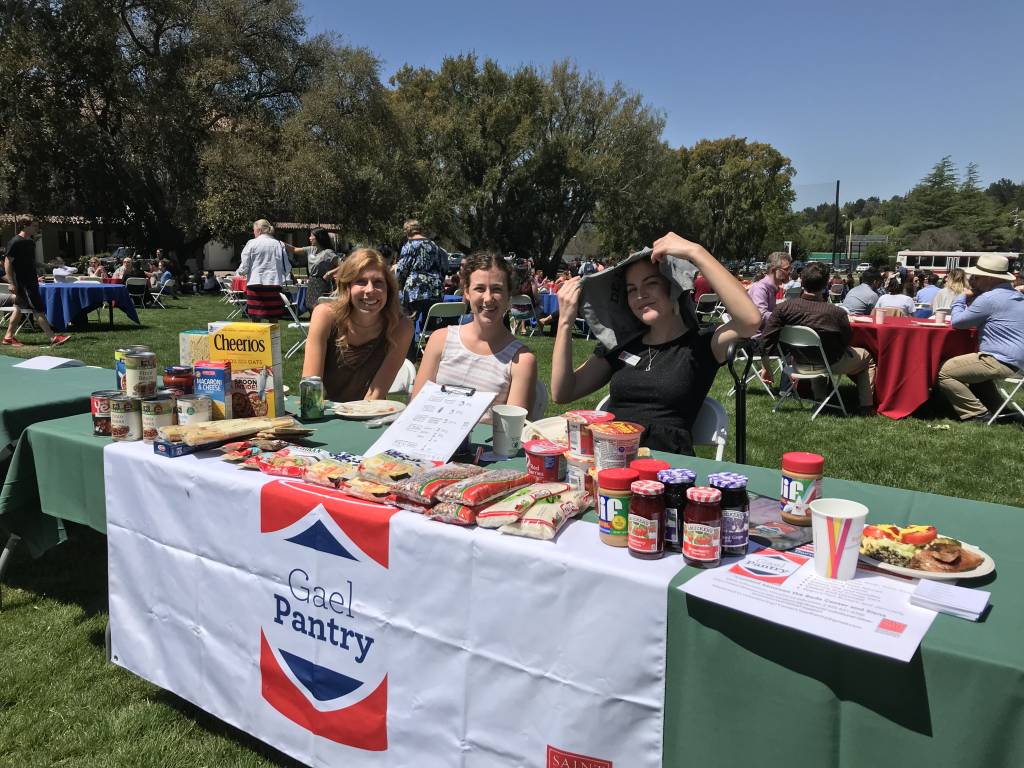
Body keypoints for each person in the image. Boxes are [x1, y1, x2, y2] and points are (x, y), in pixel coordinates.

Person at [551, 232, 760, 455]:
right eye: (631, 289)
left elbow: (750, 320)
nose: (640, 295)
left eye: (651, 283)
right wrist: (565, 322)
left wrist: (696, 252)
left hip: (667, 468)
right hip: (613, 461)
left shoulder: (701, 345)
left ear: (673, 286)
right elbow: (563, 393)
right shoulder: (622, 344)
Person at [413, 251, 538, 422]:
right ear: (466, 292)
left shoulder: (521, 360)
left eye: (497, 289)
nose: (488, 298)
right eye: (479, 288)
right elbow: (416, 406)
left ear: (509, 295)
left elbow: (512, 430)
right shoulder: (440, 340)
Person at [763, 263, 876, 415]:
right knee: (867, 358)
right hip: (828, 362)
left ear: (802, 282)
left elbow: (766, 340)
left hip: (798, 363)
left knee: (820, 351)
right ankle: (866, 407)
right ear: (825, 284)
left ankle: (820, 401)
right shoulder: (836, 312)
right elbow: (847, 339)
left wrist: (766, 368)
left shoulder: (783, 308)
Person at [302, 248, 413, 402]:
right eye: (361, 281)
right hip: (324, 411)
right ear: (347, 287)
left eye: (378, 282)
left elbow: (374, 396)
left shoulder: (400, 327)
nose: (370, 290)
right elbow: (311, 390)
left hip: (370, 412)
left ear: (388, 289)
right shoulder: (325, 316)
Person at [937, 254, 1024, 422]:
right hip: (1018, 361)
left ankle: (977, 413)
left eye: (977, 277)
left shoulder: (989, 299)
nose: (973, 281)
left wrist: (961, 297)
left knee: (944, 371)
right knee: (975, 375)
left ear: (990, 278)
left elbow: (958, 322)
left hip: (999, 360)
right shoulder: (1018, 296)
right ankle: (999, 409)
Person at [2, 218, 70, 347]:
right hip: (24, 283)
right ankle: (53, 337)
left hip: (31, 280)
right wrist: (11, 282)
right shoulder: (15, 241)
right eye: (34, 226)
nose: (36, 228)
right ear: (24, 226)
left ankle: (8, 337)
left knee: (18, 309)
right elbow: (7, 262)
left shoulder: (30, 242)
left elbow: (31, 262)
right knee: (37, 309)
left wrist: (46, 265)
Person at [747, 251, 792, 386]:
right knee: (796, 347)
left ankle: (788, 387)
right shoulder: (760, 288)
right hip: (756, 343)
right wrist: (784, 317)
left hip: (764, 340)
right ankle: (787, 389)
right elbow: (761, 316)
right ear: (774, 270)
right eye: (786, 269)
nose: (789, 272)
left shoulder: (770, 288)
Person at [396, 219, 448, 334]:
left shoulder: (409, 246)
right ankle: (429, 344)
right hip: (435, 289)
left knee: (409, 324)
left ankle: (410, 345)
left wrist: (398, 285)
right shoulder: (434, 246)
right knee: (430, 326)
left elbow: (402, 270)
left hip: (415, 290)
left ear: (407, 231)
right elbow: (442, 267)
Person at [237, 218, 291, 321]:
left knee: (255, 319)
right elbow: (287, 267)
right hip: (274, 284)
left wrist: (241, 273)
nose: (253, 233)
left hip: (255, 284)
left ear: (259, 230)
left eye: (254, 230)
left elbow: (244, 266)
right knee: (274, 318)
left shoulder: (251, 243)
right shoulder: (280, 244)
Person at [304, 228, 341, 312]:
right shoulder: (312, 250)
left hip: (321, 283)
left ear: (319, 237)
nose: (309, 238)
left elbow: (343, 265)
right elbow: (294, 249)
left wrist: (329, 273)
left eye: (312, 236)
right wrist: (280, 243)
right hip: (312, 282)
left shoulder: (328, 252)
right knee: (310, 306)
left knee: (320, 307)